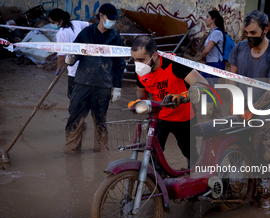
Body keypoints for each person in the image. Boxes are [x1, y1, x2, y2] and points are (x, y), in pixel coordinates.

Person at [228, 10, 270, 209]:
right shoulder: (239, 49)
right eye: (246, 33)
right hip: (241, 108)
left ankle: (264, 190)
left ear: (265, 30)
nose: (249, 37)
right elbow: (232, 78)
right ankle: (239, 184)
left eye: (253, 33)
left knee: (262, 151)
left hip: (265, 112)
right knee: (237, 146)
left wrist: (252, 110)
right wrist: (234, 104)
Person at [129, 36, 207, 170]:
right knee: (152, 154)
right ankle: (156, 185)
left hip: (184, 116)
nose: (138, 64)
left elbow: (203, 84)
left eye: (141, 60)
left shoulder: (174, 63)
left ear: (154, 56)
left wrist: (183, 97)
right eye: (135, 60)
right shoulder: (141, 72)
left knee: (189, 152)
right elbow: (141, 91)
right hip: (159, 117)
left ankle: (197, 180)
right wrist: (138, 102)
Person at [63, 3, 126, 153]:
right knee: (75, 118)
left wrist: (117, 87)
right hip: (83, 82)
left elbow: (119, 64)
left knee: (101, 121)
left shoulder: (116, 37)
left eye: (114, 20)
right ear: (101, 16)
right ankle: (71, 150)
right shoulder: (86, 33)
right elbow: (76, 50)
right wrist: (72, 58)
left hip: (103, 86)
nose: (112, 22)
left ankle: (101, 150)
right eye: (110, 19)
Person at [48, 8, 89, 99]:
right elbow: (91, 25)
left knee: (72, 96)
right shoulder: (76, 23)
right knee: (83, 95)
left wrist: (58, 70)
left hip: (74, 69)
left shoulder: (61, 34)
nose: (51, 24)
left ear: (60, 21)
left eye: (53, 22)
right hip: (87, 65)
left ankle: (74, 112)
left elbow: (61, 57)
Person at [200, 10, 226, 116]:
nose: (205, 19)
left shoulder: (216, 33)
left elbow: (207, 50)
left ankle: (208, 113)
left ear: (213, 19)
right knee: (202, 85)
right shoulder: (213, 32)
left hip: (215, 65)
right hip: (210, 64)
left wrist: (199, 59)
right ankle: (212, 110)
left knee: (208, 88)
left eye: (207, 17)